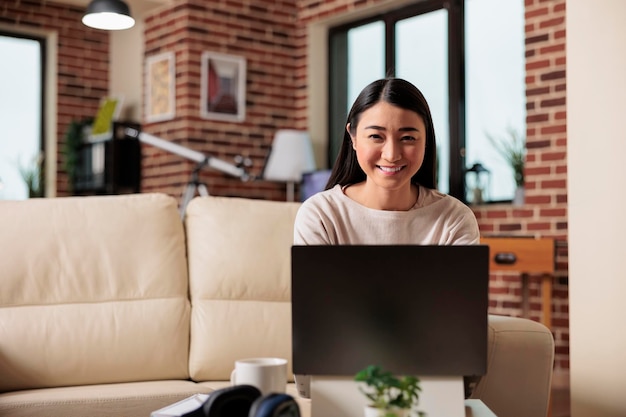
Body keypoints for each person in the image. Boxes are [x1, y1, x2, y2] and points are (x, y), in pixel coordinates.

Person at [293, 77, 479, 245]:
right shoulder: (321, 215)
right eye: (376, 136)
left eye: (407, 138)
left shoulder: (454, 219)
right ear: (353, 137)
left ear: (426, 140)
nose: (391, 155)